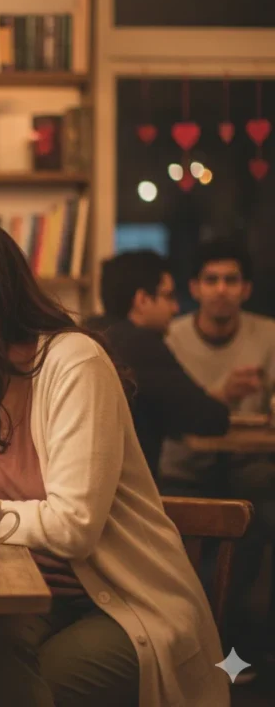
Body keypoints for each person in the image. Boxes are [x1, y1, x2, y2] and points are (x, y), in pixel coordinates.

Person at [0, 217, 228, 707]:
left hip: (123, 605)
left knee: (18, 689)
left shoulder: (73, 363)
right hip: (24, 599)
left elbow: (73, 526)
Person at [160, 238, 275, 670]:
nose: (221, 289)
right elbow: (165, 412)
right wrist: (220, 396)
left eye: (231, 280)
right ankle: (197, 651)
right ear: (195, 287)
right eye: (212, 280)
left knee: (255, 526)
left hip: (250, 465)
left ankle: (242, 652)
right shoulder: (170, 336)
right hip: (183, 466)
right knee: (178, 539)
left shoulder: (268, 333)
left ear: (246, 289)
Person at [86, 250, 229, 477]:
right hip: (129, 496)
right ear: (142, 299)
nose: (176, 308)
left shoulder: (88, 332)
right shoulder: (140, 345)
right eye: (169, 296)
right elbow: (210, 418)